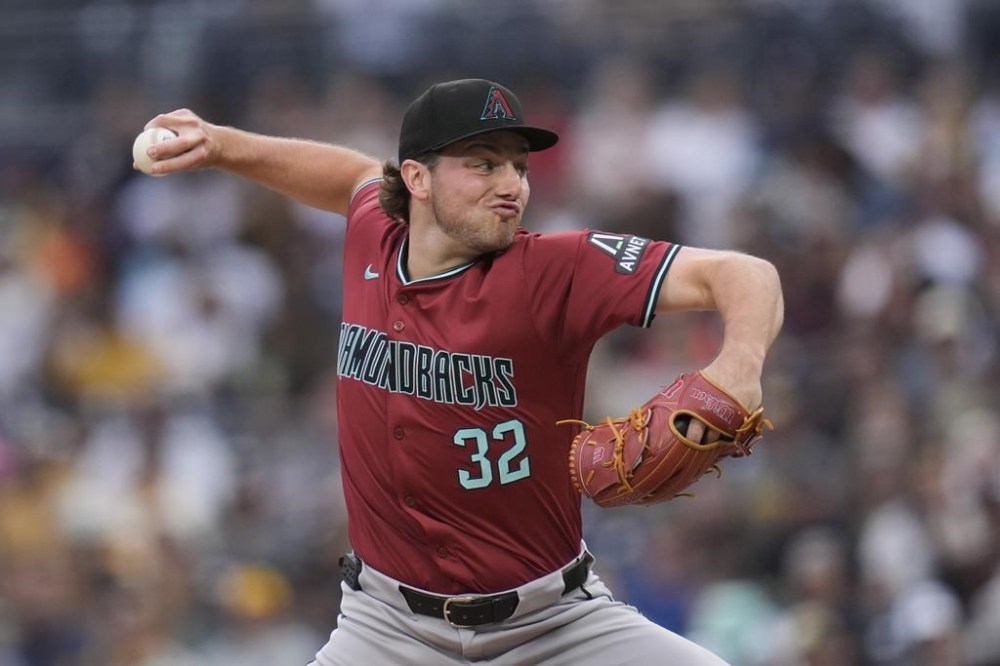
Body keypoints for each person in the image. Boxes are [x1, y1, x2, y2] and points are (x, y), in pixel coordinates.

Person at [137, 78, 784, 665]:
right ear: (417, 179)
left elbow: (745, 275)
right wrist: (220, 145)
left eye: (519, 166)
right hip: (385, 630)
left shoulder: (554, 269)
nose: (512, 185)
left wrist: (737, 370)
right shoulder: (377, 234)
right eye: (483, 164)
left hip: (553, 626)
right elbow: (353, 176)